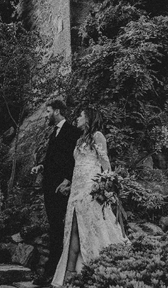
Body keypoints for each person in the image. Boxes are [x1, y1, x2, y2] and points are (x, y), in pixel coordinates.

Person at [52, 107, 129, 287]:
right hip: (76, 191)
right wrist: (69, 183)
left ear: (89, 118)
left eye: (80, 115)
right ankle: (70, 276)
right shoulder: (79, 139)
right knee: (73, 231)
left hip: (90, 191)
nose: (77, 118)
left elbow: (106, 166)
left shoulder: (98, 136)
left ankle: (89, 272)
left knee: (85, 230)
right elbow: (78, 166)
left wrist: (106, 187)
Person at [31, 99, 80, 285]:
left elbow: (75, 160)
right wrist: (42, 166)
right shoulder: (54, 133)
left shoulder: (73, 132)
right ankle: (53, 271)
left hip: (62, 189)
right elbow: (55, 159)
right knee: (54, 227)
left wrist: (67, 179)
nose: (46, 115)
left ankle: (52, 272)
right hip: (50, 187)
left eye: (48, 111)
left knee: (58, 229)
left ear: (57, 111)